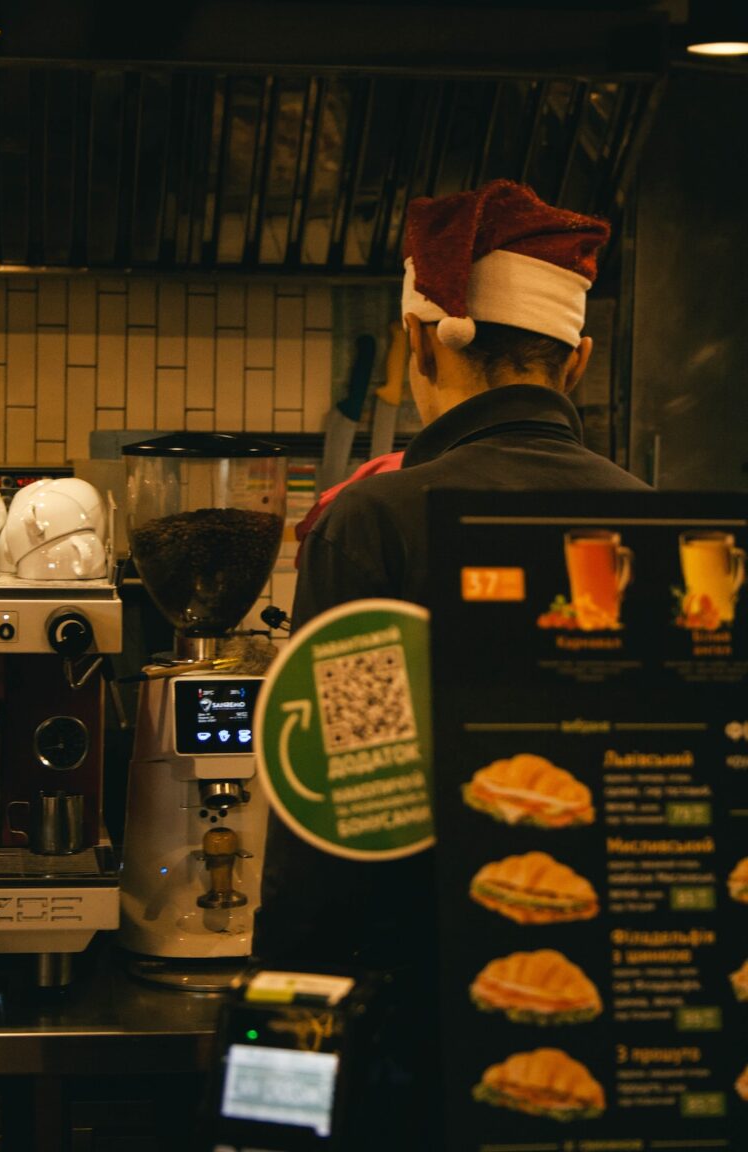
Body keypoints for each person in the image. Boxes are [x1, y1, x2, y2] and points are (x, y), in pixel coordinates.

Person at [253, 179, 649, 1146]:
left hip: (418, 1053)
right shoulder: (661, 526)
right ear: (580, 362)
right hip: (624, 1043)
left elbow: (330, 842)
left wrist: (272, 1083)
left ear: (420, 341)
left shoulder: (374, 523)